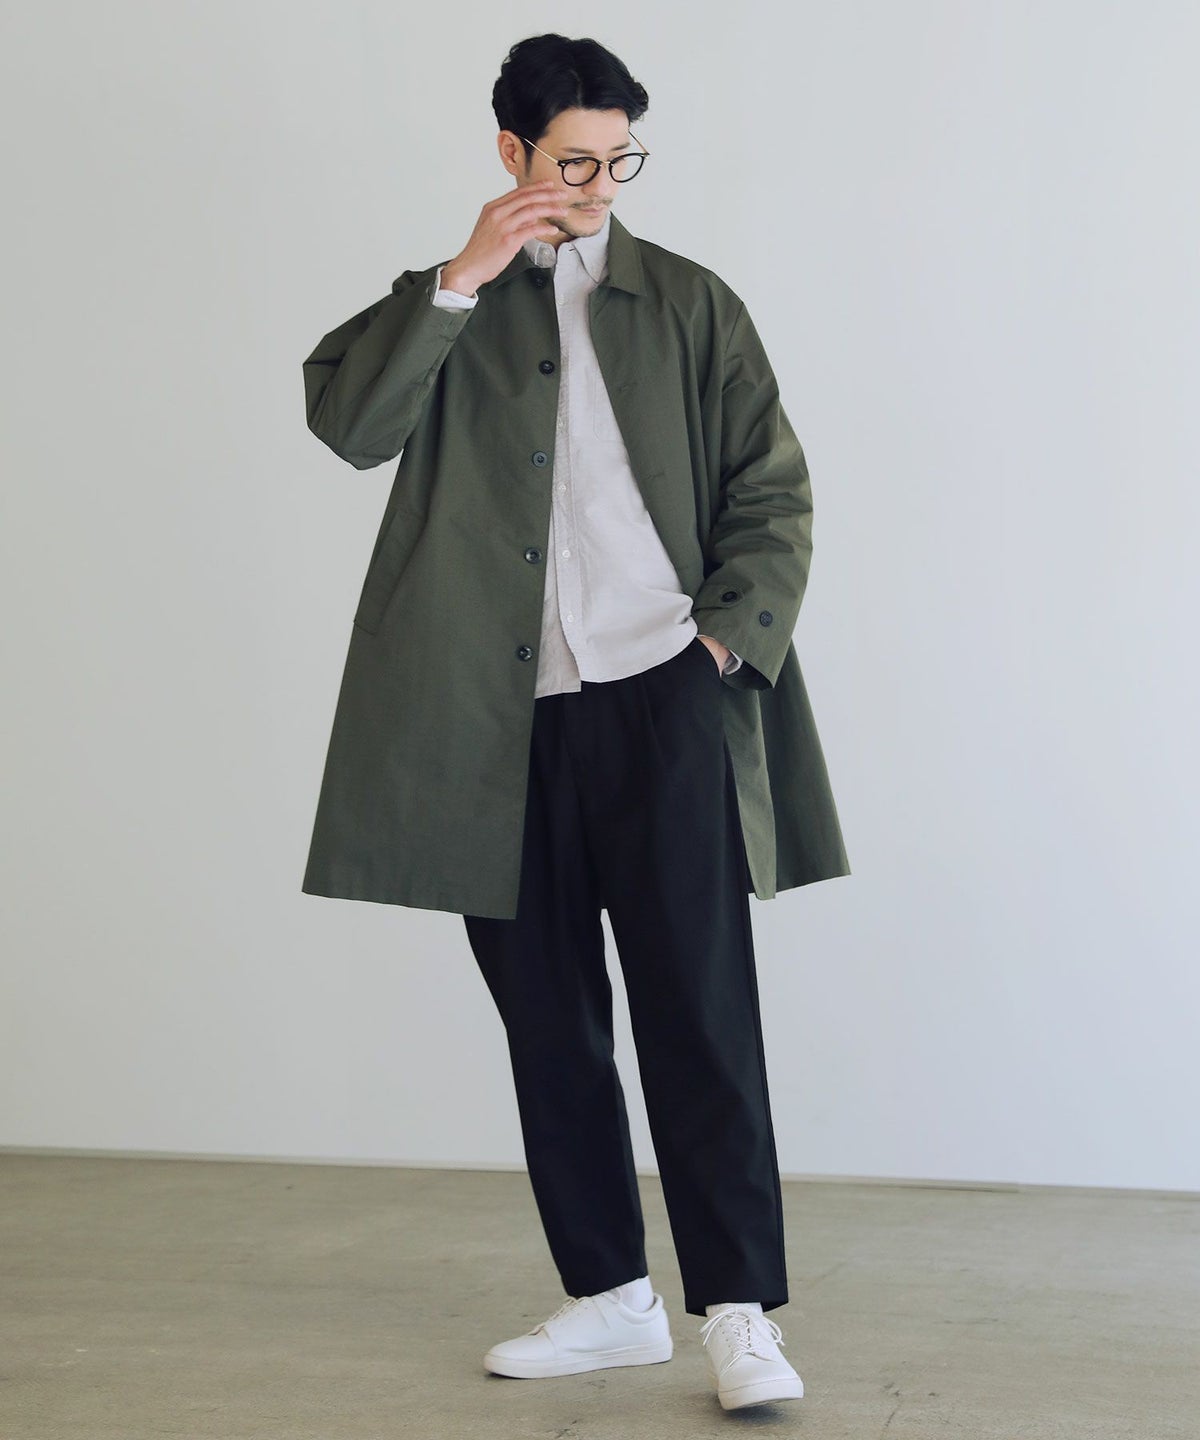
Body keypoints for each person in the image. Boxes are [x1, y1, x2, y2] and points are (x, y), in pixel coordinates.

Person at [300, 32, 849, 1414]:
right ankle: (610, 1297)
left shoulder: (691, 305)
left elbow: (773, 494)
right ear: (512, 153)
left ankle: (739, 1312)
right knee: (548, 1020)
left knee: (699, 1014)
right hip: (499, 721)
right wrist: (463, 273)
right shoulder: (446, 305)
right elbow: (351, 425)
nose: (599, 187)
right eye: (573, 161)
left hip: (666, 695)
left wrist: (717, 650)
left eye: (620, 161)